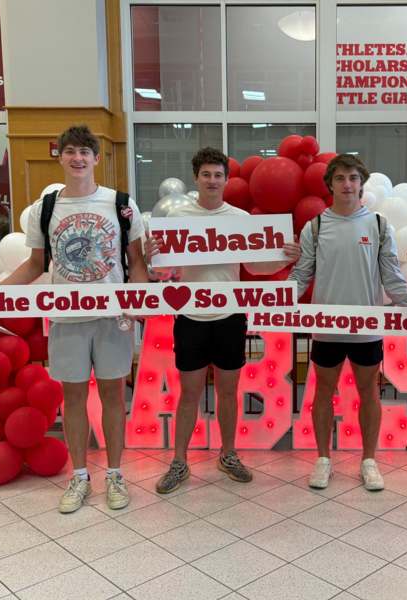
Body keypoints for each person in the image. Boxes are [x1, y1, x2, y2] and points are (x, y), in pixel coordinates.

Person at [0, 125, 149, 514]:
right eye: (70, 151)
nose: (78, 158)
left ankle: (116, 474)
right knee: (72, 398)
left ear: (97, 159)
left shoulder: (121, 204)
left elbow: (136, 262)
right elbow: (35, 264)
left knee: (113, 396)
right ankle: (80, 476)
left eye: (85, 152)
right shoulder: (46, 209)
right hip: (67, 318)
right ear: (60, 157)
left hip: (112, 317)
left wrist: (140, 301)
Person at [145, 147, 299, 494]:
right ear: (196, 178)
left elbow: (255, 267)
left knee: (229, 392)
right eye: (206, 175)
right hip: (190, 315)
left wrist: (282, 258)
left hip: (230, 315)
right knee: (189, 393)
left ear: (226, 180)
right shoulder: (179, 217)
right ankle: (179, 462)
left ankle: (228, 455)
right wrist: (151, 259)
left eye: (218, 175)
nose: (212, 181)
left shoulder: (240, 219)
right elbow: (163, 270)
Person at [287, 154, 407, 492]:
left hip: (366, 329)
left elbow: (391, 275)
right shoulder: (315, 226)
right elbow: (301, 275)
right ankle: (323, 459)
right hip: (327, 328)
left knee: (369, 392)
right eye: (341, 178)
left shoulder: (378, 225)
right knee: (323, 392)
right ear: (330, 184)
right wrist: (277, 300)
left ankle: (369, 460)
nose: (347, 184)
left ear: (362, 183)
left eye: (353, 178)